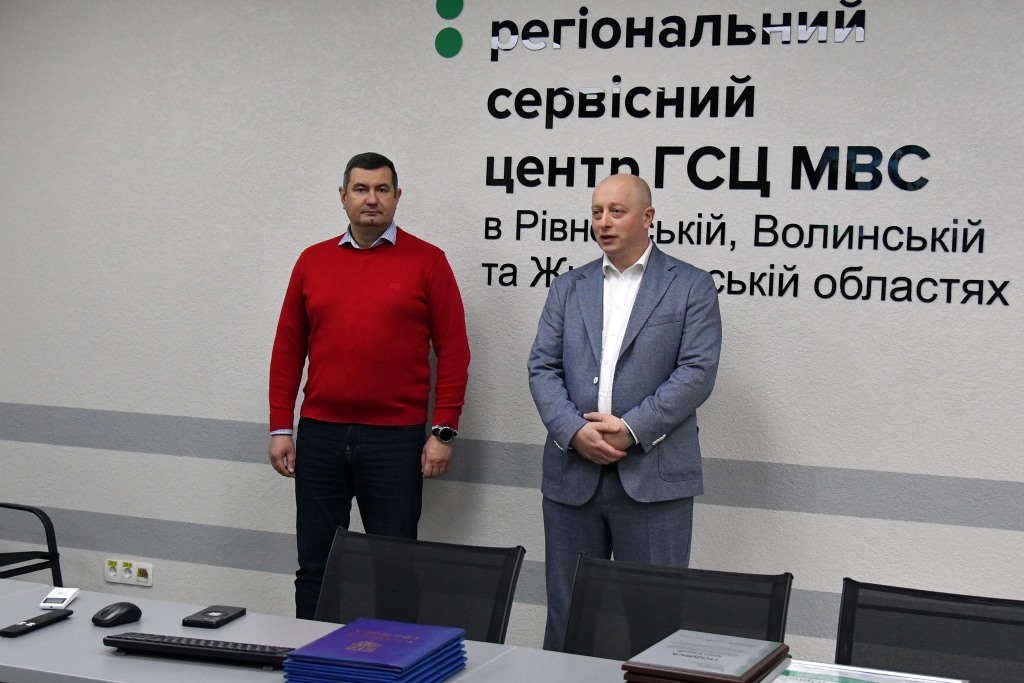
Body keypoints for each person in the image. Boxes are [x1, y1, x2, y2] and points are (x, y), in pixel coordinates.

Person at [268, 152, 470, 619]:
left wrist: (443, 432)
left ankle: (392, 656)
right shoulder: (312, 261)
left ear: (397, 196)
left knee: (394, 569)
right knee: (316, 568)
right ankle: (314, 653)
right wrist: (281, 427)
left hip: (395, 441)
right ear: (343, 197)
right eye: (361, 189)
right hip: (320, 436)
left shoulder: (428, 261)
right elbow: (287, 350)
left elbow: (455, 352)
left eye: (382, 190)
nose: (371, 199)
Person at [527, 173, 722, 651]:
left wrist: (632, 429)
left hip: (653, 479)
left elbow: (697, 373)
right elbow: (542, 366)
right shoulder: (568, 287)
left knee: (654, 621)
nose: (604, 222)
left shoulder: (690, 285)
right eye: (597, 212)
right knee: (569, 618)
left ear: (648, 217)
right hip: (573, 475)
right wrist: (574, 431)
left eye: (617, 211)